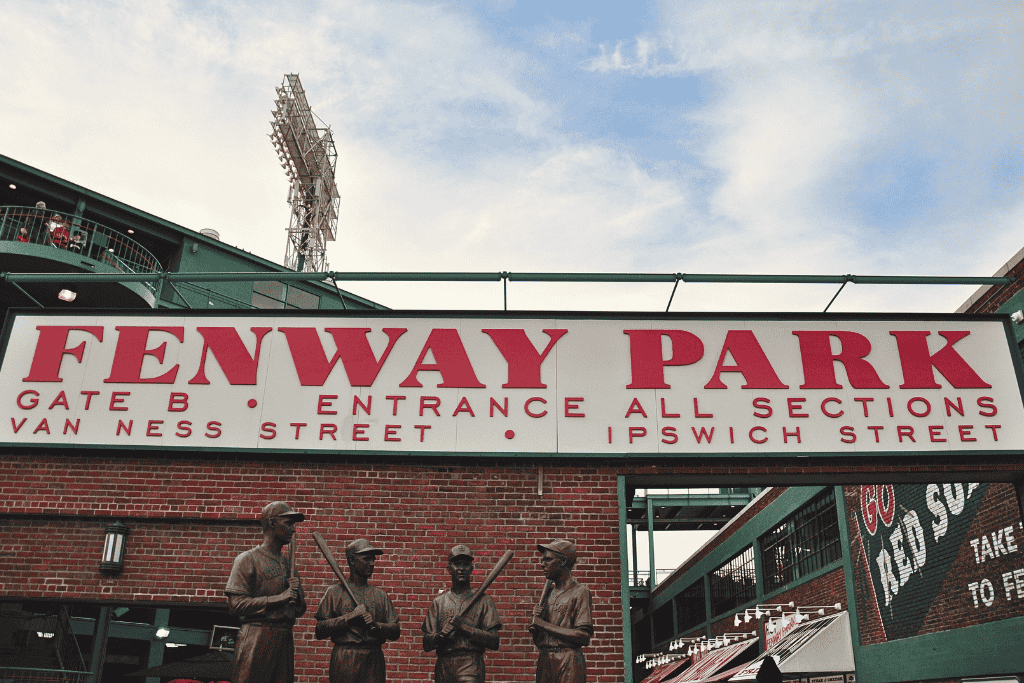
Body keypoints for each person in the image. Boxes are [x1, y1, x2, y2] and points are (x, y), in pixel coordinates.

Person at [225, 501, 306, 683]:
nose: (293, 529)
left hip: (284, 636)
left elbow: (299, 610)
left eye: (294, 524)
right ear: (271, 523)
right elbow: (236, 605)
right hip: (256, 635)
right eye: (288, 523)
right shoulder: (248, 559)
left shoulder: (289, 564)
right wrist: (280, 598)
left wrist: (297, 596)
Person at [315, 538, 400, 683]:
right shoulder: (334, 592)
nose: (372, 563)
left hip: (373, 659)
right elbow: (320, 630)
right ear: (352, 560)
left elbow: (395, 630)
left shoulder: (381, 595)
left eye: (373, 559)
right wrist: (350, 618)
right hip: (345, 657)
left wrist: (377, 625)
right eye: (366, 559)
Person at [422, 544, 502, 683]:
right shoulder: (439, 602)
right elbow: (426, 643)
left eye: (465, 564)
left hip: (471, 663)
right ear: (449, 569)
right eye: (457, 564)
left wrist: (465, 629)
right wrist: (441, 636)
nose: (461, 568)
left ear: (471, 568)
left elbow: (494, 641)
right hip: (444, 664)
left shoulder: (484, 600)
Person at [530, 540, 593, 683]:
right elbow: (540, 641)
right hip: (545, 659)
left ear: (563, 561)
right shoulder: (548, 594)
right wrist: (536, 630)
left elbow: (583, 636)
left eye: (548, 559)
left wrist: (542, 624)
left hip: (569, 660)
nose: (542, 564)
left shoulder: (580, 591)